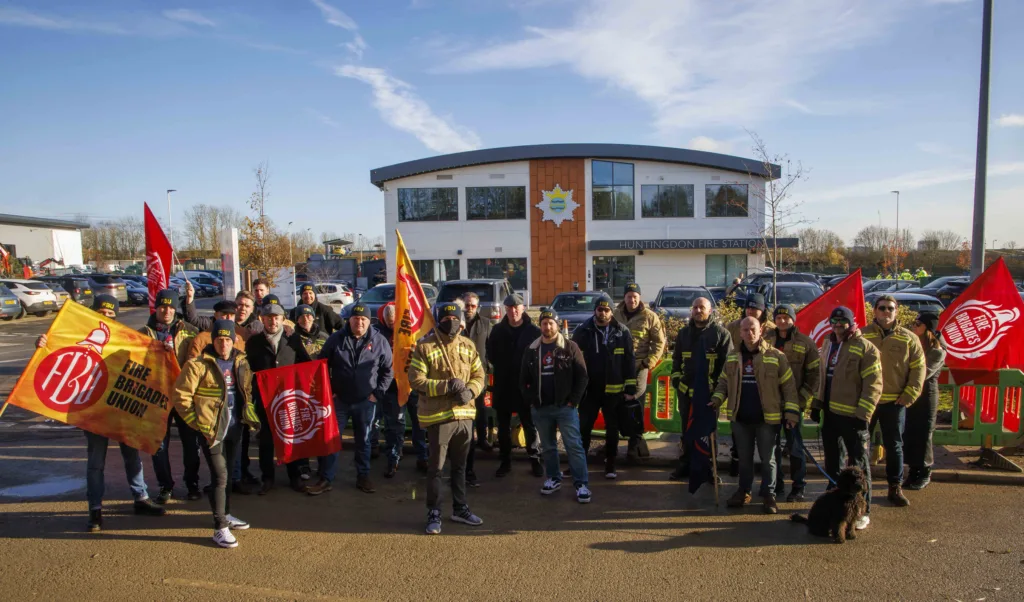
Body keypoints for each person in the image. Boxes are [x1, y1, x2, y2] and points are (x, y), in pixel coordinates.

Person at [35, 295, 166, 532]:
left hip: (121, 408)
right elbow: (56, 355)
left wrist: (163, 350)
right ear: (93, 312)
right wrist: (43, 344)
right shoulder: (77, 335)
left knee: (132, 456)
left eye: (111, 315)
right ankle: (95, 510)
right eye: (102, 313)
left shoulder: (124, 336)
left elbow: (143, 360)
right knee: (96, 463)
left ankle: (140, 498)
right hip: (93, 410)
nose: (106, 317)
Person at [172, 319, 260, 548]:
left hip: (234, 428)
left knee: (229, 475)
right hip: (211, 432)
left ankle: (226, 514)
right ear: (213, 341)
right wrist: (197, 425)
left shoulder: (242, 361)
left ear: (234, 341)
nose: (224, 344)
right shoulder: (197, 365)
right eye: (219, 339)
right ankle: (219, 527)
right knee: (219, 477)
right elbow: (181, 398)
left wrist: (246, 414)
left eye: (228, 339)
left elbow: (246, 390)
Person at [408, 302, 486, 535]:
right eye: (446, 318)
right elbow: (416, 380)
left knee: (460, 467)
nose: (450, 322)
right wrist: (447, 386)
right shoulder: (425, 347)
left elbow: (480, 375)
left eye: (455, 318)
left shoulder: (468, 345)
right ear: (438, 320)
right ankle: (434, 512)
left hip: (465, 415)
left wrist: (471, 391)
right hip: (439, 418)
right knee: (436, 468)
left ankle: (460, 508)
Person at [712, 317, 799, 513]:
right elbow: (723, 383)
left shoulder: (776, 356)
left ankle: (769, 495)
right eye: (745, 330)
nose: (749, 333)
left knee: (769, 459)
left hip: (767, 420)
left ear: (761, 331)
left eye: (753, 329)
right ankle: (744, 491)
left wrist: (792, 413)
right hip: (740, 418)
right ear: (740, 333)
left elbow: (789, 387)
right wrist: (716, 400)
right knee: (744, 459)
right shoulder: (733, 357)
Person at [307, 303, 393, 495]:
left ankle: (363, 476)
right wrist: (329, 390)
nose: (359, 323)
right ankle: (326, 478)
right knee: (331, 440)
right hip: (340, 401)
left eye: (363, 319)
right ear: (349, 320)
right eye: (356, 319)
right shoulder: (336, 339)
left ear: (369, 321)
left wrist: (377, 394)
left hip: (366, 401)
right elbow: (321, 365)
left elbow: (388, 370)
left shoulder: (379, 341)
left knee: (364, 441)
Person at [811, 306, 882, 530]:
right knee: (833, 462)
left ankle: (863, 510)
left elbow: (874, 385)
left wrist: (864, 413)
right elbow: (823, 377)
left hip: (853, 416)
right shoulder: (828, 343)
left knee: (859, 465)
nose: (838, 325)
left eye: (843, 321)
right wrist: (817, 403)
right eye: (834, 321)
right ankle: (835, 503)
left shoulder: (866, 349)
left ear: (852, 323)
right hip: (831, 415)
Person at [521, 308, 591, 502]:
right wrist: (532, 401)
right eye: (544, 323)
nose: (548, 326)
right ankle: (553, 478)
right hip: (541, 409)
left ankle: (581, 484)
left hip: (565, 408)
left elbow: (582, 376)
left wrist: (573, 401)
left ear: (557, 325)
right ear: (540, 326)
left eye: (551, 323)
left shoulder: (570, 347)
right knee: (549, 447)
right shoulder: (532, 349)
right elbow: (523, 380)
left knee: (573, 446)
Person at [862, 294, 926, 507]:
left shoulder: (908, 338)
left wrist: (910, 394)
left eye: (890, 308)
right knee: (860, 445)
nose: (886, 312)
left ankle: (894, 487)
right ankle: (860, 487)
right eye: (882, 308)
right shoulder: (862, 335)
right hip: (867, 402)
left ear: (896, 311)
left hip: (895, 402)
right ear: (875, 311)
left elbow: (918, 368)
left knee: (895, 446)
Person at [245, 294, 312, 495]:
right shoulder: (254, 342)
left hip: (288, 398)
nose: (272, 321)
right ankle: (267, 477)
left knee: (290, 438)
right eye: (268, 318)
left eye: (276, 317)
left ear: (283, 319)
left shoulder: (292, 339)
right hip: (264, 399)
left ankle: (295, 476)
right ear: (262, 319)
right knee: (265, 440)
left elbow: (306, 363)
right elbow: (248, 370)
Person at [142, 288, 201, 503]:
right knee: (159, 445)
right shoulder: (142, 333)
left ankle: (192, 483)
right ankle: (165, 486)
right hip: (156, 398)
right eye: (163, 306)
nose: (167, 310)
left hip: (183, 397)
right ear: (156, 307)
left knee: (190, 444)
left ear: (176, 309)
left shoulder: (190, 331)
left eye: (171, 307)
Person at [573, 294, 636, 479]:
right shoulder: (583, 330)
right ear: (595, 310)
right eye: (599, 309)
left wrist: (630, 389)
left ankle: (610, 463)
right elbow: (573, 361)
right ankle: (579, 463)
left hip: (614, 391)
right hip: (589, 390)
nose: (603, 313)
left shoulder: (622, 332)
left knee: (612, 428)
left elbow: (629, 361)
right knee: (583, 427)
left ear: (611, 311)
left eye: (606, 309)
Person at [669, 297, 732, 479]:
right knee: (687, 431)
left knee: (708, 433)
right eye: (695, 307)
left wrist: (716, 391)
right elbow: (676, 362)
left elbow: (727, 368)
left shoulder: (721, 334)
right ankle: (686, 464)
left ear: (710, 310)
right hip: (686, 393)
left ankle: (709, 469)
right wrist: (677, 382)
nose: (698, 311)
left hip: (708, 395)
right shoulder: (684, 334)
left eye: (702, 307)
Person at [766, 304, 821, 502]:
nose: (782, 321)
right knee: (771, 448)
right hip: (771, 405)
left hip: (794, 404)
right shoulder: (766, 340)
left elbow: (814, 376)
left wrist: (801, 400)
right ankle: (776, 484)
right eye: (778, 318)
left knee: (795, 447)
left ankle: (798, 487)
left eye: (786, 318)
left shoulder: (806, 343)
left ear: (793, 320)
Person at [487, 293, 543, 477]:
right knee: (502, 426)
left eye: (516, 308)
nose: (513, 311)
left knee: (529, 425)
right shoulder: (497, 331)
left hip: (525, 386)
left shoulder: (533, 332)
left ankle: (535, 459)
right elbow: (491, 356)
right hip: (503, 385)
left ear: (523, 308)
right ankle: (505, 461)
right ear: (505, 310)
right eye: (509, 308)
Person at [612, 283, 665, 461]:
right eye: (629, 296)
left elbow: (659, 342)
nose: (632, 299)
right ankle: (612, 441)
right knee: (615, 402)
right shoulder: (615, 314)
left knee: (636, 403)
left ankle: (634, 443)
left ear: (639, 298)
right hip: (617, 366)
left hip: (638, 365)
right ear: (624, 297)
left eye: (635, 296)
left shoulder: (650, 316)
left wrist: (648, 362)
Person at [724, 292, 775, 476]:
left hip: (765, 395)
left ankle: (769, 486)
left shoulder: (772, 330)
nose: (751, 311)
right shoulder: (732, 328)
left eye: (756, 308)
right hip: (740, 389)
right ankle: (737, 464)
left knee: (767, 449)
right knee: (739, 438)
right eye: (749, 307)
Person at [903, 312, 946, 491]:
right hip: (911, 394)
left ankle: (925, 471)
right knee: (910, 433)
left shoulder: (937, 350)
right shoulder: (915, 343)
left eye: (918, 323)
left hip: (926, 395)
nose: (914, 326)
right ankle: (913, 470)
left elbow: (923, 373)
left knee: (924, 434)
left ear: (928, 327)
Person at [372, 303, 406, 478]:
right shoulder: (376, 332)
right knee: (377, 420)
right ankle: (377, 448)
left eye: (394, 322)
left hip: (400, 383)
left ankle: (395, 455)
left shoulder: (406, 329)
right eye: (389, 322)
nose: (392, 325)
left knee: (396, 423)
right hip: (380, 384)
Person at [462, 292, 494, 453]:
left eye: (472, 305)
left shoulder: (486, 324)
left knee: (480, 409)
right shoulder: (457, 322)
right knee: (462, 409)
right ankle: (466, 441)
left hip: (479, 374)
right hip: (459, 374)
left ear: (477, 307)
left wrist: (487, 366)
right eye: (467, 305)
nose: (469, 308)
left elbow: (491, 348)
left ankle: (482, 439)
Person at [182, 285, 263, 341]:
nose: (243, 308)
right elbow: (193, 319)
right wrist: (190, 298)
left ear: (252, 309)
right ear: (235, 304)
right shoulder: (214, 322)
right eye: (240, 305)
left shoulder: (257, 327)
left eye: (247, 306)